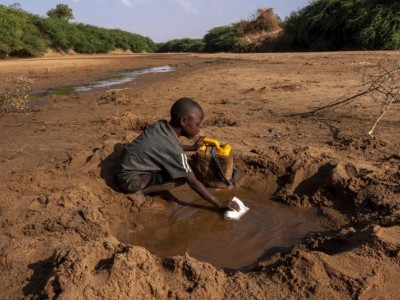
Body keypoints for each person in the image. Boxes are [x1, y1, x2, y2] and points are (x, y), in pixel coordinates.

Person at [116, 97, 239, 212]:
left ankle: (150, 186)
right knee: (182, 177)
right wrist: (219, 203)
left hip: (125, 167)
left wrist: (191, 148)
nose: (198, 129)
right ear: (184, 121)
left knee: (177, 166)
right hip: (130, 180)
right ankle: (140, 191)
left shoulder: (161, 125)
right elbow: (192, 182)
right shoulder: (173, 149)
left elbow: (165, 147)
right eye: (197, 124)